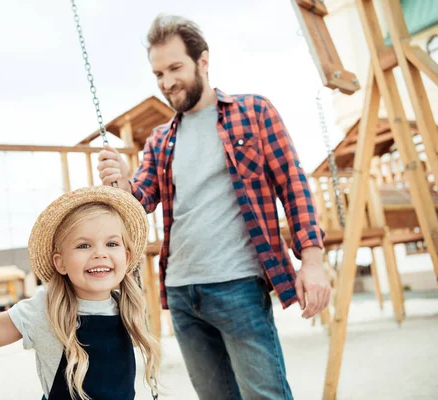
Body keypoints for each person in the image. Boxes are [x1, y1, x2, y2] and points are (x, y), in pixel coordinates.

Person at [97, 15, 331, 400]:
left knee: (265, 396)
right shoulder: (159, 140)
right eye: (158, 73)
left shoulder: (253, 112)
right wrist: (122, 182)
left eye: (175, 68)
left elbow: (293, 183)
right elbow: (138, 206)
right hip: (182, 292)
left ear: (203, 61)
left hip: (238, 284)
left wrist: (314, 260)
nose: (167, 81)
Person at [0, 186, 160, 400]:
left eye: (112, 243)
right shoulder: (45, 309)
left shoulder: (127, 306)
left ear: (127, 256)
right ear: (61, 263)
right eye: (84, 245)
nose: (100, 254)